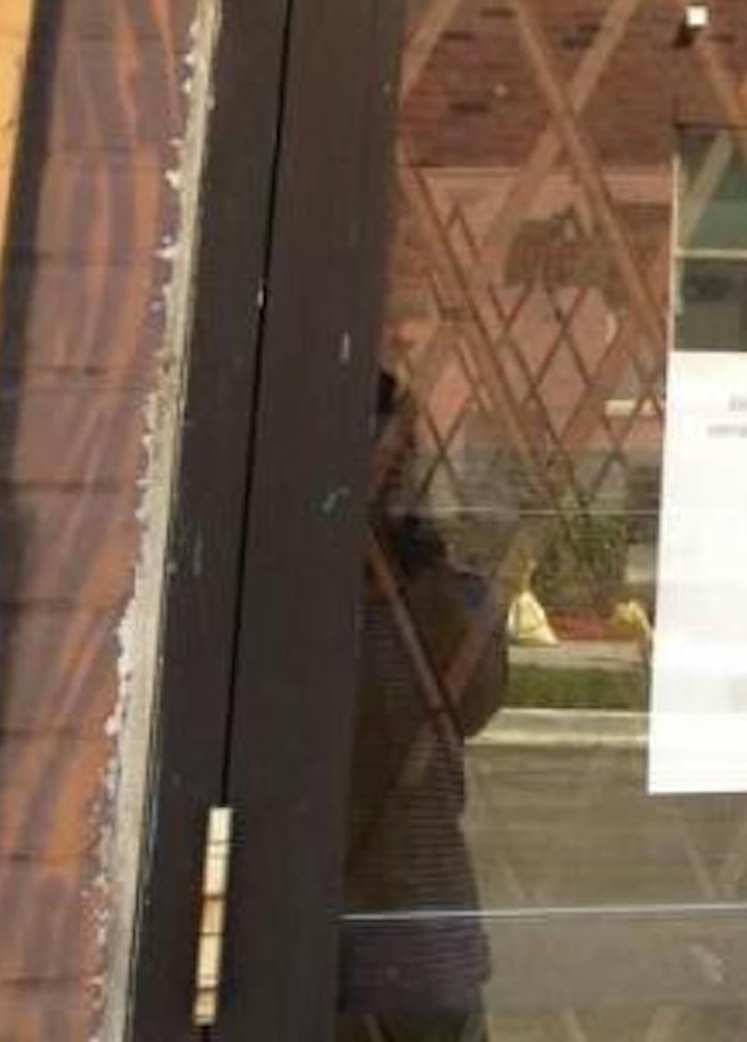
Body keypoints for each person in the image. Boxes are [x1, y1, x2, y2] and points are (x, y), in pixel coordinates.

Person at [338, 370, 507, 1042]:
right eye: (388, 452)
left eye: (404, 453)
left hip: (422, 930)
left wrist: (420, 567)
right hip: (330, 930)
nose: (396, 470)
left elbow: (473, 700)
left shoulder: (435, 587)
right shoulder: (299, 591)